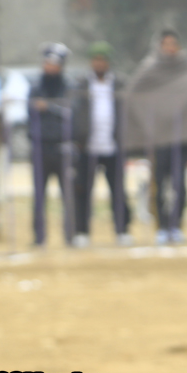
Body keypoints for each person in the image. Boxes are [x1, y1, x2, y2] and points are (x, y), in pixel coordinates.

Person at [123, 28, 187, 245]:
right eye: (166, 44)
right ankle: (161, 227)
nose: (170, 48)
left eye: (173, 44)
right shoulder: (150, 68)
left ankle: (176, 226)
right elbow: (132, 93)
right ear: (160, 46)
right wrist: (147, 125)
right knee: (159, 185)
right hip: (158, 138)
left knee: (181, 185)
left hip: (181, 136)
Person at [72, 41, 131, 246]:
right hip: (87, 146)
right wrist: (78, 137)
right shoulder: (81, 84)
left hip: (112, 146)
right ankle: (81, 231)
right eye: (96, 59)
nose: (99, 63)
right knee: (83, 191)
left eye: (103, 60)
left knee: (118, 191)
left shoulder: (119, 83)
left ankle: (122, 230)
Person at [28, 42, 73, 247]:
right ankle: (39, 237)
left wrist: (49, 107)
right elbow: (30, 112)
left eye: (55, 64)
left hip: (63, 146)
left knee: (67, 195)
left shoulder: (68, 86)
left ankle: (70, 235)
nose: (51, 67)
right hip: (40, 147)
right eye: (48, 63)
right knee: (39, 194)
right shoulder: (36, 87)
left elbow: (70, 111)